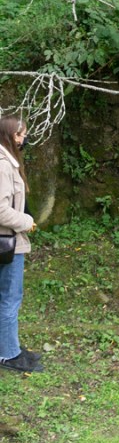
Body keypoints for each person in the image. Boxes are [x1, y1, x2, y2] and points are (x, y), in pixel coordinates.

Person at [0, 116, 42, 375]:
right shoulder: (3, 166)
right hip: (7, 243)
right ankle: (8, 354)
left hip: (7, 241)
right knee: (9, 298)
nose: (23, 139)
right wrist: (26, 222)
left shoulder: (7, 161)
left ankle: (9, 346)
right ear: (8, 135)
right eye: (19, 135)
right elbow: (1, 210)